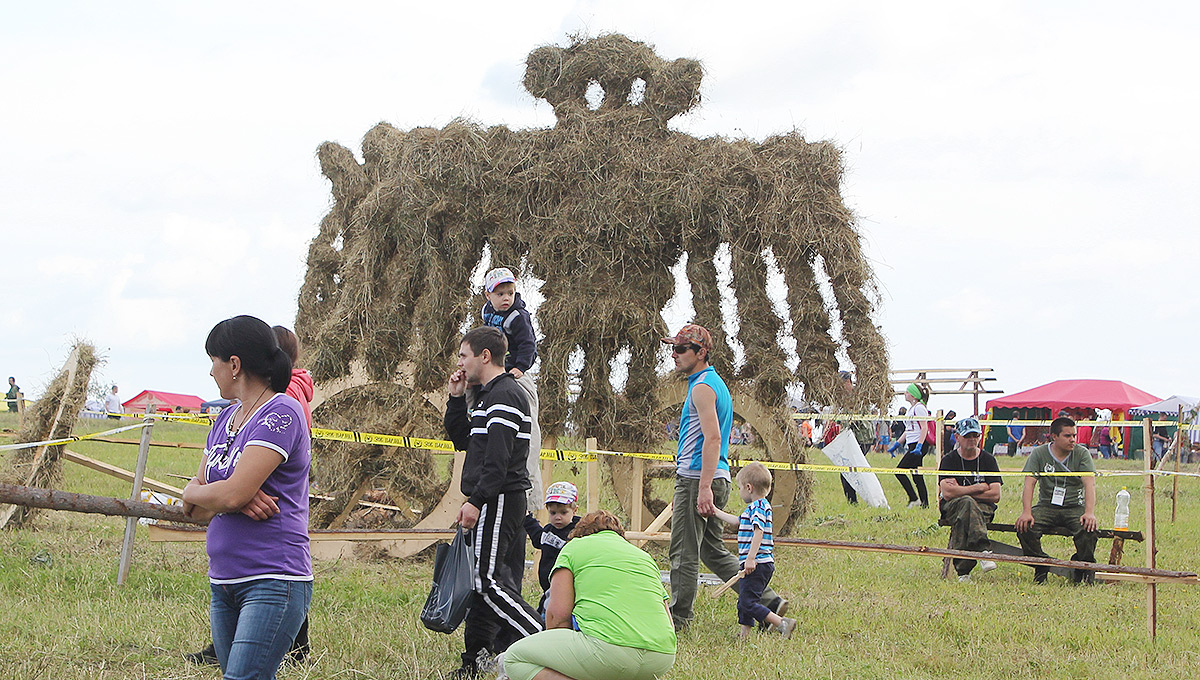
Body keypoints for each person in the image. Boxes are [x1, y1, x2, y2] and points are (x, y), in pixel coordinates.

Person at [181, 315, 312, 680]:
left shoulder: (281, 412)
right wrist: (204, 493)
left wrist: (217, 493)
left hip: (272, 578)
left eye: (214, 361)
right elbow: (197, 510)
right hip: (223, 581)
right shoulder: (224, 420)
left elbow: (231, 493)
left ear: (234, 364)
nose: (211, 371)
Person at [659, 323, 784, 630]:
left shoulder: (702, 388)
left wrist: (702, 488)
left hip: (698, 478)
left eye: (681, 349)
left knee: (684, 550)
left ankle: (679, 619)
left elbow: (713, 439)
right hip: (714, 476)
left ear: (701, 352)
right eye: (673, 348)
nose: (674, 354)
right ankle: (767, 602)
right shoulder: (712, 383)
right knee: (710, 549)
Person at [445, 326, 543, 679]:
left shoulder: (505, 395)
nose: (460, 363)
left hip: (500, 498)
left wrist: (476, 501)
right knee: (482, 584)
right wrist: (456, 399)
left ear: (484, 356)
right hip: (492, 497)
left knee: (485, 582)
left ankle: (545, 639)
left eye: (464, 355)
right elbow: (464, 441)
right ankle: (475, 659)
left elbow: (498, 461)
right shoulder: (488, 396)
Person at [500, 510, 676, 680]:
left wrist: (559, 660)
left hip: (607, 652)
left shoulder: (574, 547)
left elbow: (558, 616)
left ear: (578, 533)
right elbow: (668, 619)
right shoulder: (644, 557)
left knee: (513, 659)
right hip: (661, 657)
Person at [481, 267, 545, 512]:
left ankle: (528, 502)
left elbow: (529, 345)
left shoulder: (518, 317)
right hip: (494, 373)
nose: (506, 298)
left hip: (515, 371)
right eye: (500, 294)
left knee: (528, 440)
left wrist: (520, 367)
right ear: (488, 295)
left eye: (510, 293)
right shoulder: (487, 312)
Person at [712, 462, 797, 638]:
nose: (739, 492)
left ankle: (782, 623)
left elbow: (759, 532)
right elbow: (737, 521)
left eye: (740, 488)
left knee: (748, 603)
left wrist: (751, 558)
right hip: (759, 563)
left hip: (757, 563)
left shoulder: (757, 508)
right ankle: (744, 635)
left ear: (749, 488)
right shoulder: (758, 507)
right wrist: (715, 511)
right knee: (745, 600)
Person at [1016, 416, 1099, 584]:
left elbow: (1089, 484)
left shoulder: (1082, 453)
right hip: (1047, 505)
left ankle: (1083, 566)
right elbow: (1029, 483)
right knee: (1025, 527)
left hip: (1074, 506)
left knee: (1088, 529)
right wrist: (1026, 512)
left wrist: (1089, 512)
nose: (1073, 439)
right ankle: (1041, 564)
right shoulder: (1039, 453)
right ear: (1054, 436)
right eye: (1067, 436)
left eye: (1074, 435)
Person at [937, 417, 1002, 582]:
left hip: (983, 508)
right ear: (957, 437)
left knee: (966, 510)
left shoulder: (988, 460)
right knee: (966, 504)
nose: (972, 439)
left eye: (975, 435)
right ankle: (983, 550)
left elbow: (996, 495)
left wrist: (961, 491)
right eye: (967, 436)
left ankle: (963, 572)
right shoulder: (949, 460)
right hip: (953, 507)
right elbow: (947, 493)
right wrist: (978, 487)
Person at [523, 481, 581, 615]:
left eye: (563, 512)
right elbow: (538, 539)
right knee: (542, 617)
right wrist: (527, 519)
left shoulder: (577, 533)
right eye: (553, 513)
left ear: (574, 510)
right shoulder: (549, 530)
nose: (557, 517)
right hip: (548, 589)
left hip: (567, 590)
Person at [896, 383, 932, 508]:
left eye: (907, 392)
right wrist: (897, 443)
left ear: (913, 395)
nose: (905, 394)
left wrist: (919, 445)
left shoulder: (919, 408)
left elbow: (924, 427)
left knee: (899, 471)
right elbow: (909, 430)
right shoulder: (911, 409)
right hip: (912, 443)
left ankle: (914, 499)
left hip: (918, 444)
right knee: (916, 475)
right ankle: (924, 503)